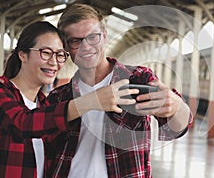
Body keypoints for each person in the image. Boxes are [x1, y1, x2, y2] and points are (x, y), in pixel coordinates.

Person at [47, 3, 193, 178]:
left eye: (93, 37)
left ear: (105, 36)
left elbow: (176, 128)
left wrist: (176, 106)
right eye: (76, 41)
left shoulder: (138, 78)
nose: (86, 47)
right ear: (66, 47)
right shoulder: (58, 97)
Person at [0, 21, 138, 178]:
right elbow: (23, 124)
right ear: (22, 54)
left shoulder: (46, 104)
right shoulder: (3, 92)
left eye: (60, 55)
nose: (53, 62)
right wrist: (90, 101)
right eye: (45, 52)